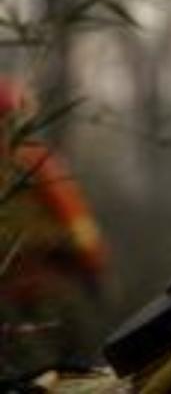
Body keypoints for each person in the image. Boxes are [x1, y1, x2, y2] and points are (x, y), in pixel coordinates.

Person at [0, 77, 108, 380]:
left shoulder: (32, 161)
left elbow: (76, 222)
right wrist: (94, 267)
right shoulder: (34, 160)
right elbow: (78, 222)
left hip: (41, 291)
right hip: (36, 295)